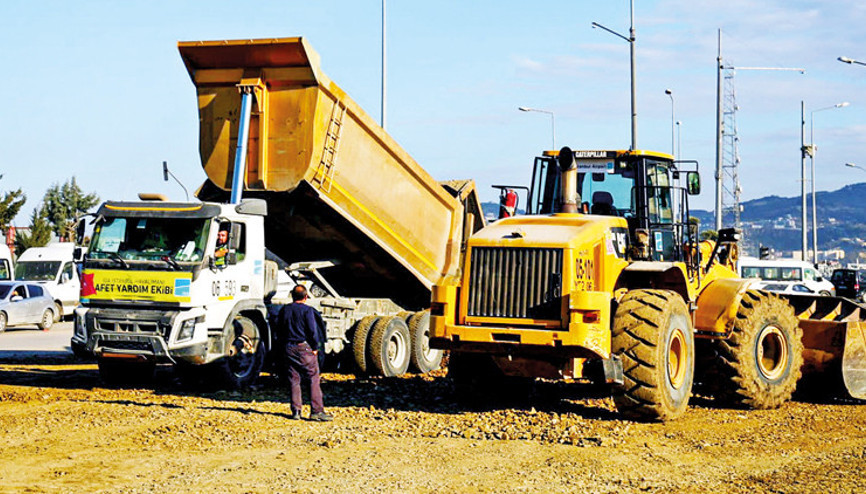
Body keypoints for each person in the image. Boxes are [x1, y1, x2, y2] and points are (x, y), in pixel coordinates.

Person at [275, 284, 333, 422]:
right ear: (306, 297)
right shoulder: (308, 311)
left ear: (292, 295)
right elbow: (313, 331)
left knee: (294, 379)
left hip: (288, 347)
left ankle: (296, 411)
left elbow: (279, 329)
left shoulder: (285, 310)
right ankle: (317, 411)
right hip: (303, 347)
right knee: (313, 377)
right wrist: (315, 347)